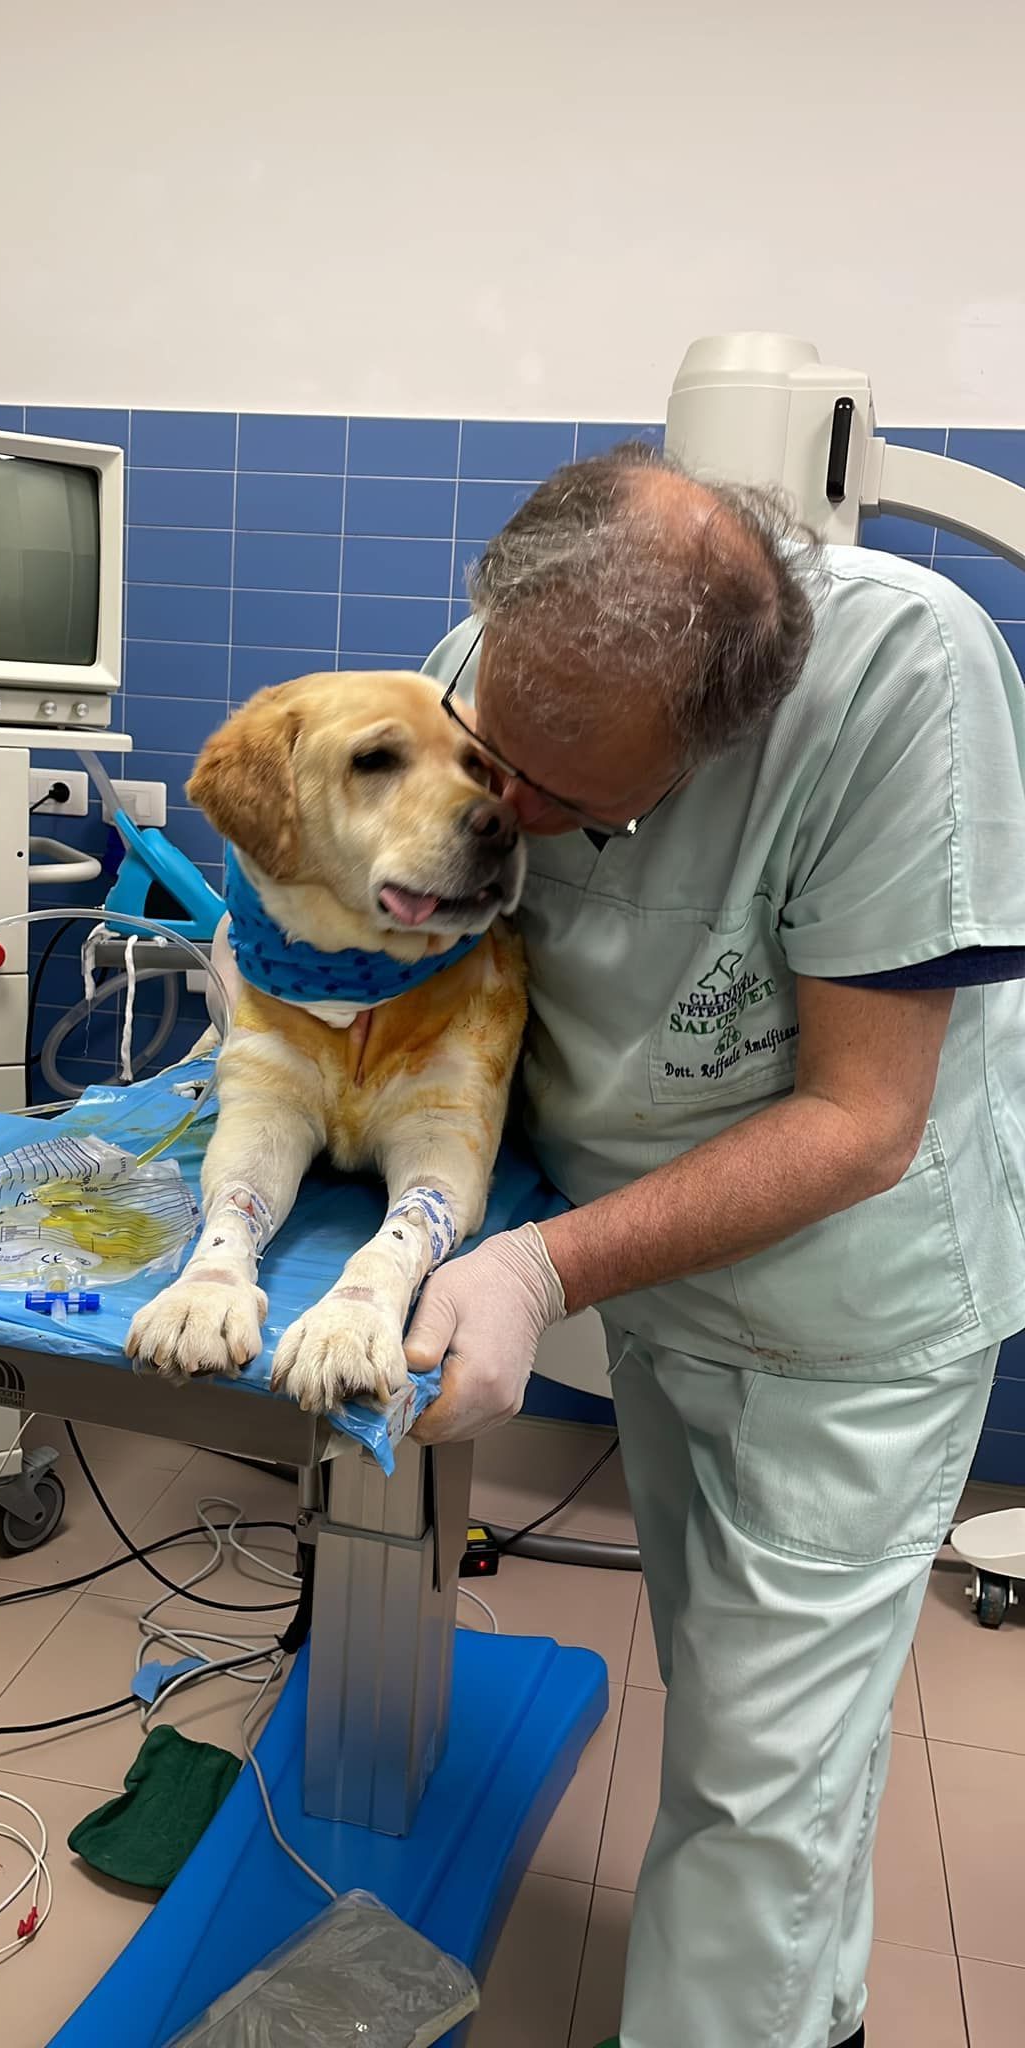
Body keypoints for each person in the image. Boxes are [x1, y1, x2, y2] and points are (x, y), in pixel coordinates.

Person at [408, 442, 1025, 2048]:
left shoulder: (904, 678)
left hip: (849, 1309)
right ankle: (811, 2012)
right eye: (496, 760)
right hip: (654, 1265)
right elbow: (435, 946)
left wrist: (534, 1269)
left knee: (759, 1773)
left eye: (570, 799)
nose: (512, 812)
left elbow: (862, 1121)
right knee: (754, 1704)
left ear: (726, 731)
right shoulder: (490, 675)